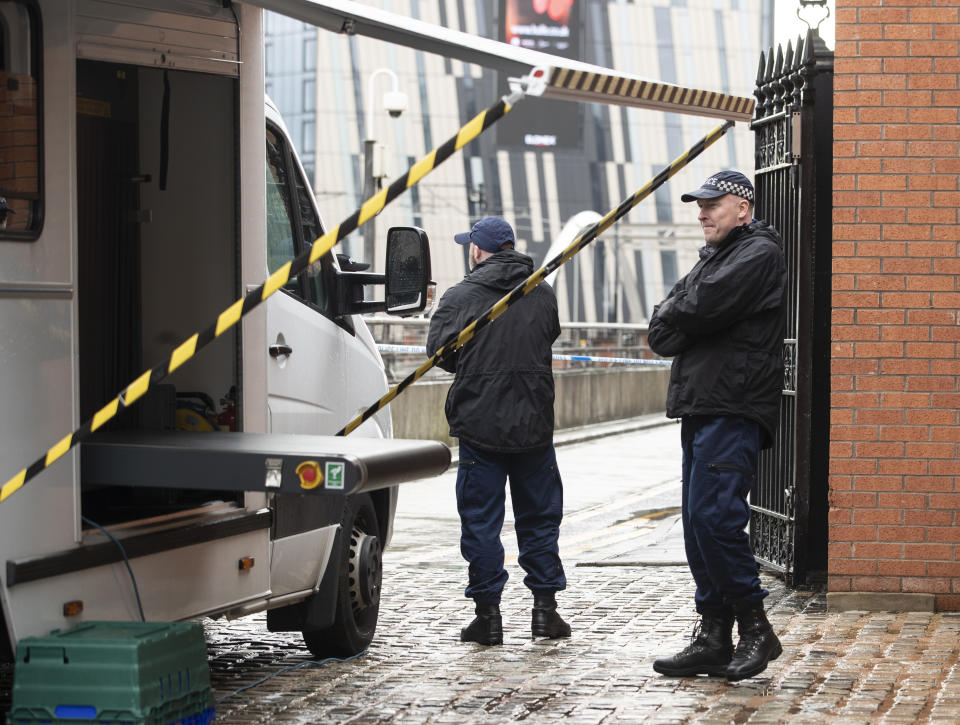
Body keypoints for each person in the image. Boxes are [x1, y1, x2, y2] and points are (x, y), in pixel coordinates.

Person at [647, 170, 787, 681]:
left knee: (716, 520)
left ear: (743, 208)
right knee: (695, 523)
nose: (702, 212)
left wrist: (681, 312)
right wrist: (681, 314)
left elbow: (695, 306)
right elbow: (663, 332)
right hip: (704, 404)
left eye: (713, 203)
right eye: (698, 204)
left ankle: (755, 629)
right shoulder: (717, 258)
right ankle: (712, 634)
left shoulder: (758, 254)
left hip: (733, 403)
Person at [426, 216, 570, 646]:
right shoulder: (541, 291)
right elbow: (549, 338)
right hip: (533, 426)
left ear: (476, 250)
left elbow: (439, 354)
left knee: (482, 524)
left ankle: (487, 618)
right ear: (511, 246)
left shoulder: (460, 296)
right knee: (540, 520)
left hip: (480, 426)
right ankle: (545, 613)